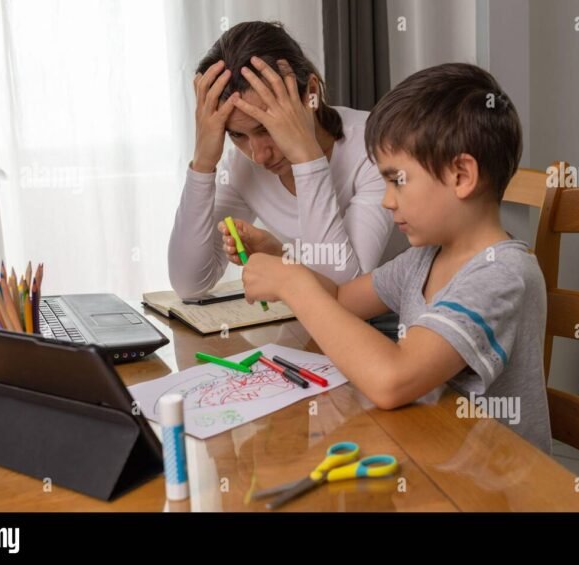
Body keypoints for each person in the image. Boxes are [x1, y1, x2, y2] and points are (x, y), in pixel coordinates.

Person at [241, 63, 552, 453]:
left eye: (396, 180)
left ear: (461, 176)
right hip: (431, 454)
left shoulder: (501, 273)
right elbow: (340, 299)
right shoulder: (424, 258)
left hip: (493, 481)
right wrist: (284, 260)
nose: (387, 201)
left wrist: (292, 284)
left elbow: (393, 380)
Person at [168, 21, 405, 299]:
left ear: (311, 94)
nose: (259, 155)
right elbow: (189, 283)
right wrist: (202, 164)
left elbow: (345, 289)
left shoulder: (375, 147)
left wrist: (307, 158)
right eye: (236, 135)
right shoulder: (242, 167)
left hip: (405, 315)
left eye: (266, 128)